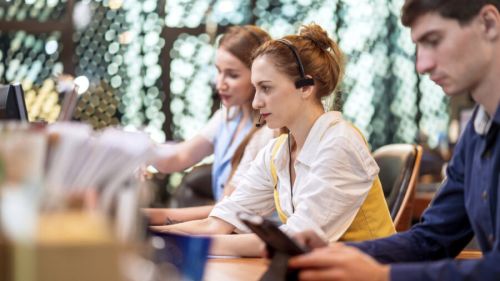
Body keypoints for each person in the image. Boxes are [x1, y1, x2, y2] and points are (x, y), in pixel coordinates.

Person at [288, 1, 500, 281]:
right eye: (418, 47)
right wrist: (339, 255)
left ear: (488, 24)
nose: (422, 65)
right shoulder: (476, 133)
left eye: (433, 41)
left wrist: (382, 276)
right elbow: (431, 240)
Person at [152, 24, 395, 257]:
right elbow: (217, 223)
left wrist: (178, 244)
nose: (256, 102)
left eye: (266, 88)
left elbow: (291, 242)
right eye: (256, 89)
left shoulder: (340, 143)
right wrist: (150, 236)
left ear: (305, 87)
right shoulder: (277, 151)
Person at [145, 26, 274, 225]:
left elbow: (227, 209)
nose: (220, 83)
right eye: (218, 71)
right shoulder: (227, 116)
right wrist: (140, 154)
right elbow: (179, 156)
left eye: (232, 75)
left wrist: (152, 216)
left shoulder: (267, 132)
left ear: (258, 75)